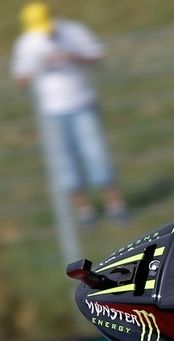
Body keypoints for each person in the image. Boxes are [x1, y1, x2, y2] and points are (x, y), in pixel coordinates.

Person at [10, 2, 126, 223]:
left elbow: (97, 56)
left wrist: (73, 57)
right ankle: (85, 212)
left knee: (97, 154)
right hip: (51, 112)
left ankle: (116, 206)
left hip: (82, 103)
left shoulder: (73, 30)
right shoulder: (26, 43)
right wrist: (39, 66)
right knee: (65, 163)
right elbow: (22, 80)